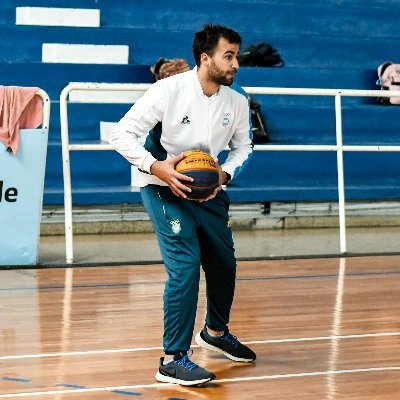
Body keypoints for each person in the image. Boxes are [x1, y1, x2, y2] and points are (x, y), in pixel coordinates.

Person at [109, 24, 256, 386]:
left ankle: (216, 333)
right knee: (186, 265)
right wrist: (157, 167)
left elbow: (243, 148)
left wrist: (224, 176)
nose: (236, 63)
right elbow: (121, 134)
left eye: (237, 55)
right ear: (205, 58)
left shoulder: (237, 101)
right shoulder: (168, 90)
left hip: (209, 190)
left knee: (223, 262)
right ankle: (173, 359)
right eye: (229, 56)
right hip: (161, 187)